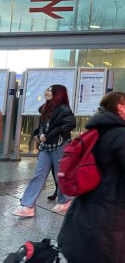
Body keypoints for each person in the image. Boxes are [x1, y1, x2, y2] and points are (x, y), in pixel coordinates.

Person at [57, 91, 125, 263]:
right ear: (119, 107)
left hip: (91, 195)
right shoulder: (121, 133)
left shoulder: (97, 128)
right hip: (113, 200)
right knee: (111, 249)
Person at [13, 85, 75, 217]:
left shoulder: (64, 109)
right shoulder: (45, 108)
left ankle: (66, 200)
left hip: (59, 145)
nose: (47, 92)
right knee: (39, 175)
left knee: (60, 174)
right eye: (47, 89)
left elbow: (71, 123)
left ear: (58, 94)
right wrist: (39, 135)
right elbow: (42, 125)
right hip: (46, 146)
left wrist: (53, 133)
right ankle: (28, 205)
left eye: (51, 90)